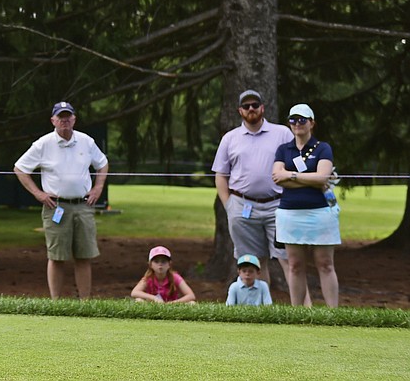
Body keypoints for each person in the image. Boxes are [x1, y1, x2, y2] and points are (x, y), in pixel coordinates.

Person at [14, 101, 108, 299]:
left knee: (84, 256)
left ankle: (85, 302)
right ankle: (56, 302)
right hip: (55, 206)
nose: (64, 121)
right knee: (56, 257)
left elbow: (102, 163)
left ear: (74, 119)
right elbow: (20, 168)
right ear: (53, 121)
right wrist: (37, 193)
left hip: (83, 205)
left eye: (68, 117)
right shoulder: (43, 144)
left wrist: (98, 187)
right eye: (60, 117)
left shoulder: (86, 141)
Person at [211, 89, 299, 294]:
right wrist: (229, 205)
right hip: (242, 207)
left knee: (289, 259)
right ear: (240, 110)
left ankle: (304, 310)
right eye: (246, 106)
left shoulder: (283, 133)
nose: (251, 109)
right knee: (255, 262)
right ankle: (262, 309)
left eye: (255, 105)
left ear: (262, 108)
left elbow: (296, 166)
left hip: (278, 205)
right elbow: (221, 175)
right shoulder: (230, 138)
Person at [272, 103, 341, 307]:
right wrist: (307, 178)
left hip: (320, 212)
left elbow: (322, 177)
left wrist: (291, 175)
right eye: (293, 120)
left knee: (325, 263)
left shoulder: (323, 148)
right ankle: (297, 311)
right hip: (290, 212)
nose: (297, 124)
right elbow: (277, 177)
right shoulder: (283, 149)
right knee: (295, 265)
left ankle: (332, 313)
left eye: (302, 119)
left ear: (312, 123)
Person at [130, 246, 196, 303]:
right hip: (153, 306)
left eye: (163, 261)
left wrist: (174, 303)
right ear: (150, 265)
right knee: (138, 300)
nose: (160, 264)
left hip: (172, 306)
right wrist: (154, 298)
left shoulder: (175, 277)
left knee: (192, 303)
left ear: (169, 264)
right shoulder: (149, 278)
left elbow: (191, 295)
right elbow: (134, 292)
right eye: (156, 261)